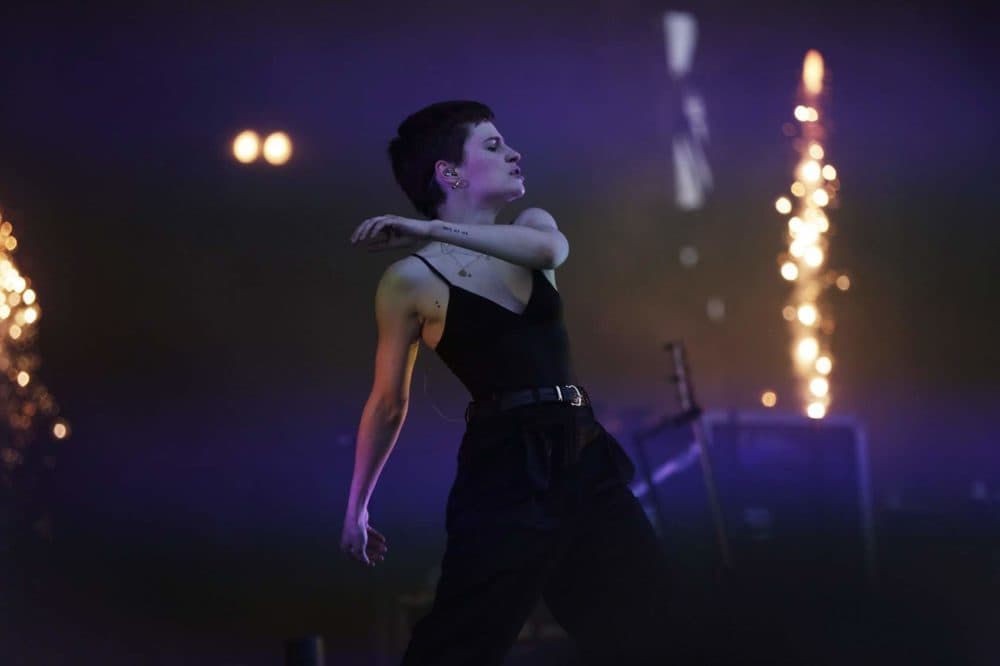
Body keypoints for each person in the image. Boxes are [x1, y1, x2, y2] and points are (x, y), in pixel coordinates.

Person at [341, 101, 673, 665]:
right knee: (462, 638)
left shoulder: (532, 228)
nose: (514, 153)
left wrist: (425, 226)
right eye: (493, 146)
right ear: (449, 173)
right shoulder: (408, 280)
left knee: (650, 623)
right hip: (503, 468)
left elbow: (550, 250)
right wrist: (358, 507)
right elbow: (387, 403)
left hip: (583, 451)